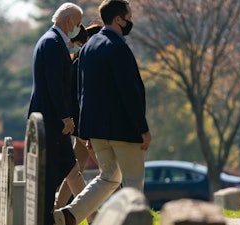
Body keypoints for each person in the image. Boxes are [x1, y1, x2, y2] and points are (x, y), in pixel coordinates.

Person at [53, 1, 152, 225]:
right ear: (119, 19)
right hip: (124, 129)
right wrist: (142, 129)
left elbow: (82, 92)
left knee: (108, 178)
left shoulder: (88, 47)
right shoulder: (118, 47)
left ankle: (71, 214)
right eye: (129, 16)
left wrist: (85, 131)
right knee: (134, 182)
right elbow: (130, 92)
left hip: (97, 130)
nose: (131, 21)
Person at [27, 3, 86, 225]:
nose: (78, 28)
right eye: (78, 23)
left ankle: (61, 215)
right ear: (69, 21)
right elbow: (55, 85)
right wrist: (66, 117)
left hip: (49, 118)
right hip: (51, 120)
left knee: (66, 165)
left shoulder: (49, 40)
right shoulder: (53, 43)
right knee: (53, 171)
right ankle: (49, 218)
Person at [54, 24, 103, 224]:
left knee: (74, 169)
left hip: (79, 127)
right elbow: (79, 100)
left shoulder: (79, 60)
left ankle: (56, 209)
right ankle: (120, 212)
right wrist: (86, 131)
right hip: (85, 129)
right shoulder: (84, 62)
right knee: (110, 175)